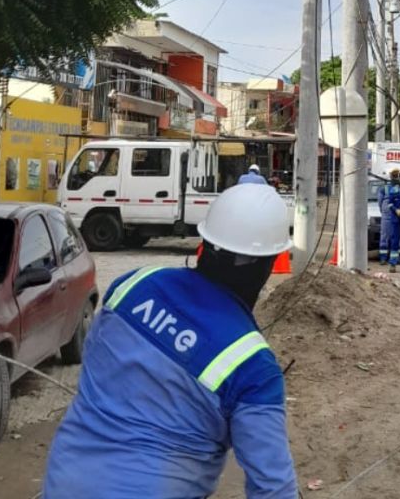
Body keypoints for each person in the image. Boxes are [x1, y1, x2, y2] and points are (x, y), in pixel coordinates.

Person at [43, 184, 297, 498]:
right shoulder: (253, 366)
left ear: (205, 242)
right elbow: (273, 486)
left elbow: (96, 369)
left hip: (65, 482)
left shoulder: (132, 285)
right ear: (270, 262)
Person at [377, 169, 400, 264]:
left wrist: (382, 211)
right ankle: (395, 259)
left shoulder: (384, 189)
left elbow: (380, 202)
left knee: (385, 237)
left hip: (387, 215)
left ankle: (383, 259)